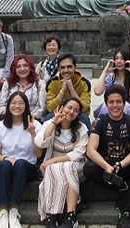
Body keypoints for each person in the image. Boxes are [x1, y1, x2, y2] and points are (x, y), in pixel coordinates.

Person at [84, 85, 130, 228]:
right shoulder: (99, 121)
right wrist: (107, 167)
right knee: (88, 168)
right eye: (111, 102)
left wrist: (120, 165)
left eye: (118, 102)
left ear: (124, 103)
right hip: (107, 167)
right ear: (106, 104)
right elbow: (90, 150)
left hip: (126, 165)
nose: (115, 105)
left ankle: (126, 213)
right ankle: (121, 187)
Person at [0, 91, 42, 228]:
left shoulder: (35, 125)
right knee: (5, 165)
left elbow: (38, 154)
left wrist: (33, 134)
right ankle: (3, 211)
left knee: (20, 164)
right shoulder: (0, 127)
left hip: (27, 167)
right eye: (13, 103)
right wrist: (9, 159)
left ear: (26, 106)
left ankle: (14, 209)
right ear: (8, 105)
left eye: (21, 103)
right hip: (6, 166)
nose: (17, 106)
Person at [35, 97, 88, 228]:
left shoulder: (82, 128)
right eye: (69, 107)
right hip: (52, 168)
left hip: (75, 166)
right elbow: (40, 142)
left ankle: (71, 215)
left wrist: (53, 161)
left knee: (67, 167)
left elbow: (77, 155)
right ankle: (51, 216)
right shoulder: (49, 123)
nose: (71, 112)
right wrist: (54, 122)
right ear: (61, 108)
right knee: (54, 169)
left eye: (76, 110)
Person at [46, 54, 92, 129]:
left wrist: (71, 89)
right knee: (49, 117)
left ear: (75, 68)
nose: (66, 70)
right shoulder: (52, 83)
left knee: (84, 117)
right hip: (59, 114)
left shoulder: (84, 83)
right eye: (62, 68)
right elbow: (50, 108)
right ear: (58, 69)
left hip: (77, 114)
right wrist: (62, 91)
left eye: (69, 67)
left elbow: (84, 108)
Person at [0, 54, 47, 120]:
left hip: (32, 120)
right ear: (14, 69)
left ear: (30, 67)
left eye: (25, 66)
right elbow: (0, 105)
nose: (22, 69)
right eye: (18, 66)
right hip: (10, 119)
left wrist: (28, 118)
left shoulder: (39, 83)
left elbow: (41, 107)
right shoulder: (7, 84)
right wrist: (10, 116)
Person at [93, 48, 130, 119]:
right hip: (110, 108)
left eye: (122, 59)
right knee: (105, 107)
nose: (119, 61)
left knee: (125, 106)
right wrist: (105, 71)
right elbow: (97, 91)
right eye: (116, 58)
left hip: (127, 111)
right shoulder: (110, 77)